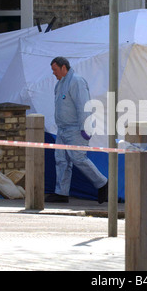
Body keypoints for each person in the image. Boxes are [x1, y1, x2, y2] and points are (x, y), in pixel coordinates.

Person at [46, 57, 108, 203]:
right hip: (62, 129)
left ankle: (103, 183)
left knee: (78, 158)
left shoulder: (77, 82)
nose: (53, 73)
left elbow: (83, 106)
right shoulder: (60, 84)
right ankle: (61, 193)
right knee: (61, 160)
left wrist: (85, 127)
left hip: (75, 128)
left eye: (55, 69)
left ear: (63, 68)